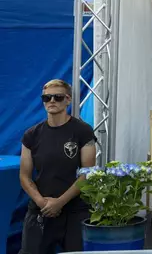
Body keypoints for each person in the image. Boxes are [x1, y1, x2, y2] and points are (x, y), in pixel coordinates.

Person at [19, 79, 97, 253]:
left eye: (58, 97)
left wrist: (60, 202)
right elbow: (24, 176)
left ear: (68, 100)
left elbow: (88, 173)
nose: (52, 101)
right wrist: (42, 202)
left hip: (75, 210)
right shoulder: (31, 135)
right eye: (46, 98)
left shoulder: (83, 131)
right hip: (41, 210)